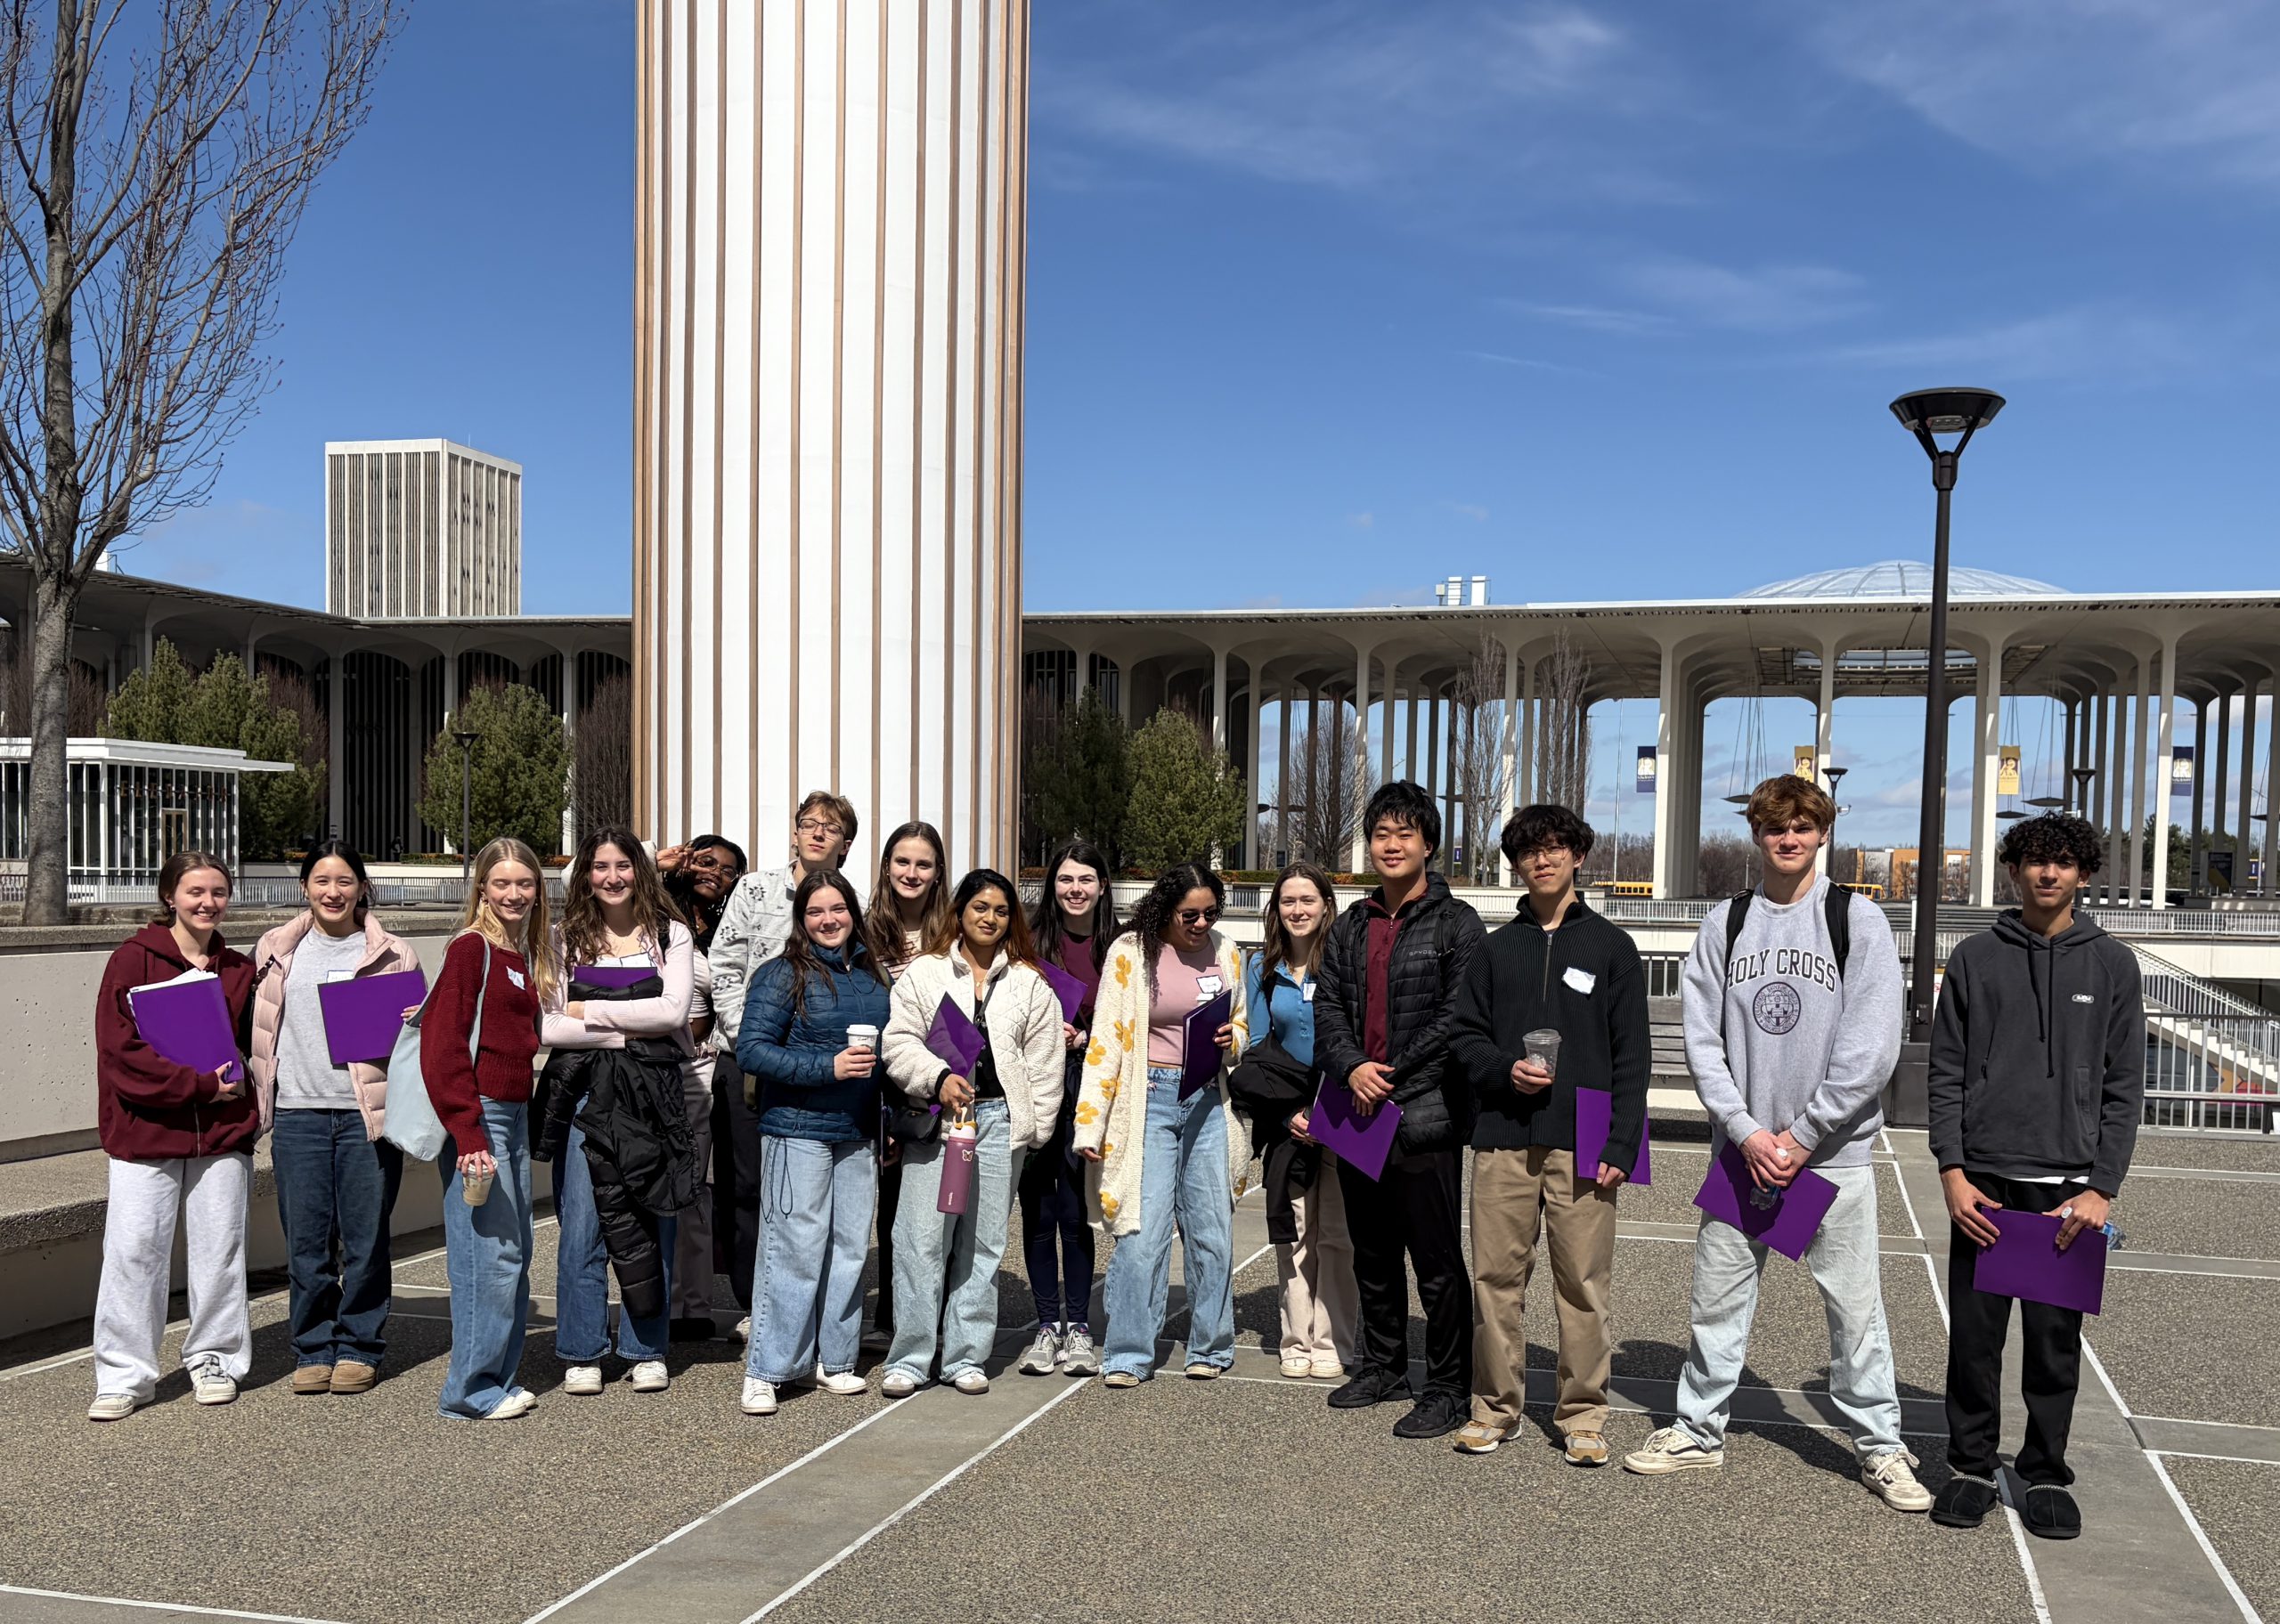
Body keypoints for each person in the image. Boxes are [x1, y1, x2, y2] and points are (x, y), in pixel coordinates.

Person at [1622, 775, 1931, 1511]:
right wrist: (1747, 1132)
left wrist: (1801, 1135)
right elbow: (1702, 1041)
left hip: (1832, 1158)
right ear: (1756, 836)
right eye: (1773, 827)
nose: (1787, 838)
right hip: (1745, 1155)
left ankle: (1881, 1447)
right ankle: (1698, 1429)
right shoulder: (1725, 922)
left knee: (1856, 1313)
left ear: (1822, 833)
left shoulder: (1857, 919)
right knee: (1717, 1301)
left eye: (1801, 826)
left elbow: (1872, 1049)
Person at [1928, 812, 2144, 1538]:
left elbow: (2124, 1087)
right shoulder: (1976, 958)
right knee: (1975, 1340)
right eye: (2034, 861)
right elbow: (1947, 1072)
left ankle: (2045, 1471)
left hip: (2068, 1190)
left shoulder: (2112, 965)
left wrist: (2101, 1187)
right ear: (2014, 871)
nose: (2048, 873)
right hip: (1986, 1183)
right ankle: (1969, 1466)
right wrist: (1953, 1173)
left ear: (2084, 874)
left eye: (2062, 862)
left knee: (2055, 1342)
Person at [1449, 806, 1648, 1463]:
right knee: (1495, 1280)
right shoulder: (1494, 948)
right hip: (1503, 1133)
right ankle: (1495, 1408)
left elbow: (1631, 1057)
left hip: (1584, 1136)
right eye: (1530, 850)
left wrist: (1622, 1144)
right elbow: (1465, 1037)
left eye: (1556, 847)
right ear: (1516, 863)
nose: (1543, 859)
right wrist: (1502, 1070)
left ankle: (1583, 1414)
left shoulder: (1612, 948)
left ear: (1578, 857)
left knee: (1583, 1283)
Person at [1311, 783, 1486, 1440]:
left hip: (1422, 1112)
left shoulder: (1456, 923)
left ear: (1428, 845)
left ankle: (1447, 1386)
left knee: (1436, 1260)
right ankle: (1384, 1364)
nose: (1391, 844)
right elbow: (1328, 1006)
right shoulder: (1353, 924)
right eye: (1381, 833)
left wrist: (1389, 1075)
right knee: (1372, 1251)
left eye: (1404, 834)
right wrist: (1351, 1066)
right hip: (1356, 1108)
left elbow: (1456, 1020)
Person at [88, 853, 259, 1421]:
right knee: (134, 1251)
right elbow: (120, 1054)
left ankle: (215, 1359)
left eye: (218, 891)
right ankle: (124, 1374)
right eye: (195, 892)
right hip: (146, 1130)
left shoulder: (237, 967)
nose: (208, 902)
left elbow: (251, 1046)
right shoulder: (130, 961)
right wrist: (198, 1087)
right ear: (169, 897)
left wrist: (237, 1086)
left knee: (220, 1253)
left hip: (222, 1132)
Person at [879, 869, 1063, 1397]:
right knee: (919, 1239)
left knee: (983, 1245)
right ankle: (912, 1357)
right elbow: (899, 1043)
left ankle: (964, 1355)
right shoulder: (924, 974)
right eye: (980, 907)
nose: (990, 918)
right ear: (959, 912)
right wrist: (936, 1079)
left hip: (999, 1122)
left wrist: (1035, 1129)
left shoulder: (1030, 983)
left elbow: (1045, 1062)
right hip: (941, 1120)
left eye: (1001, 911)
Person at [248, 841, 423, 1397]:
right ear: (304, 887)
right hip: (298, 1112)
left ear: (363, 887)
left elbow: (417, 1038)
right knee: (306, 1240)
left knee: (366, 1238)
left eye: (345, 881)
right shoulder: (274, 950)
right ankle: (314, 1346)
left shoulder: (394, 952)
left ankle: (359, 1346)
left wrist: (415, 1018)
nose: (333, 891)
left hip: (364, 1116)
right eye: (322, 880)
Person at [1074, 862, 1252, 1388]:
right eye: (1189, 915)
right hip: (1145, 1098)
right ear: (1165, 910)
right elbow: (1105, 1039)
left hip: (1206, 1098)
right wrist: (1091, 1124)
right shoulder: (1130, 953)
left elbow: (1241, 1022)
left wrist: (1233, 1041)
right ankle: (1129, 1351)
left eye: (1210, 914)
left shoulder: (1227, 951)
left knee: (1212, 1230)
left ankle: (1211, 1345)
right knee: (1140, 1230)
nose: (1200, 924)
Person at [539, 827, 698, 1397]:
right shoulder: (562, 937)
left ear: (642, 871)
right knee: (583, 1223)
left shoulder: (670, 934)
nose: (612, 878)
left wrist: (592, 1012)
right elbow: (550, 1025)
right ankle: (582, 1350)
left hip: (653, 1094)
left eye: (623, 866)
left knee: (654, 1215)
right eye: (599, 867)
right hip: (585, 1093)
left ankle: (645, 1346)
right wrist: (628, 1028)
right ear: (585, 876)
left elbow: (675, 1010)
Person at [734, 870, 892, 1415]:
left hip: (857, 1133)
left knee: (849, 1249)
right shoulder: (782, 975)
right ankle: (768, 1368)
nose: (829, 920)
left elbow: (888, 1060)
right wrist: (828, 1067)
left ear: (854, 911)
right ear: (801, 920)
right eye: (816, 912)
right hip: (796, 1128)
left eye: (838, 909)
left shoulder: (874, 977)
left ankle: (835, 1359)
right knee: (795, 1248)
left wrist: (885, 1116)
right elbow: (751, 1050)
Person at [709, 792, 859, 1330]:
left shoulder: (847, 901)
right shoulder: (755, 889)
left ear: (845, 844)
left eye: (832, 827)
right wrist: (745, 1034)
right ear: (794, 833)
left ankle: (807, 1301)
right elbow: (723, 966)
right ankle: (758, 1304)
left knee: (810, 1194)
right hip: (749, 1059)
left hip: (820, 1072)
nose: (819, 833)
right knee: (748, 1187)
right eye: (810, 824)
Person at [423, 838, 551, 1421]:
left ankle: (496, 1377)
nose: (514, 894)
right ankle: (468, 1391)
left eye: (524, 883)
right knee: (486, 1256)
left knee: (513, 1251)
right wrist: (469, 1133)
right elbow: (443, 1046)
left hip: (513, 1115)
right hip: (481, 1116)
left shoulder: (518, 955)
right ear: (481, 888)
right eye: (502, 883)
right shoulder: (471, 950)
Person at [1232, 862, 1356, 1382]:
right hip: (1291, 1113)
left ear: (1327, 905)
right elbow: (1258, 1047)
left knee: (1339, 1232)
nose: (1298, 910)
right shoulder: (1261, 966)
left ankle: (1335, 1339)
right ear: (1276, 910)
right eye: (1288, 901)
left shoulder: (1345, 965)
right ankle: (1295, 1337)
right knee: (1297, 1230)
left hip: (1345, 1107)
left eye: (1308, 900)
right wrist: (1288, 1114)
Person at [1015, 839, 1117, 1377]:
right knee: (1038, 1211)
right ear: (1051, 885)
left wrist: (1086, 1037)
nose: (1075, 890)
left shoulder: (1120, 947)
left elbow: (1133, 1024)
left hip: (1090, 1091)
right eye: (1065, 879)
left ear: (1102, 887)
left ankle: (1079, 1327)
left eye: (1086, 880)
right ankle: (1045, 1325)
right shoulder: (1028, 945)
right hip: (1034, 1090)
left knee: (1077, 1213)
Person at [859, 821, 953, 1352]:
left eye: (923, 864)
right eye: (902, 862)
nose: (911, 873)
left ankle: (938, 1318)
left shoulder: (953, 934)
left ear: (939, 872)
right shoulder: (866, 931)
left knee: (943, 1207)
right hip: (880, 1084)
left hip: (944, 1079)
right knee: (893, 1208)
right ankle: (890, 1316)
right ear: (886, 867)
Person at [659, 833, 747, 1340]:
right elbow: (575, 875)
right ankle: (660, 1300)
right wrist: (654, 859)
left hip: (702, 1071)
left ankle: (692, 1306)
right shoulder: (654, 915)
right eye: (706, 861)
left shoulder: (728, 930)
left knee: (696, 1191)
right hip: (652, 1066)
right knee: (660, 1188)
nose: (716, 872)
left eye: (729, 869)